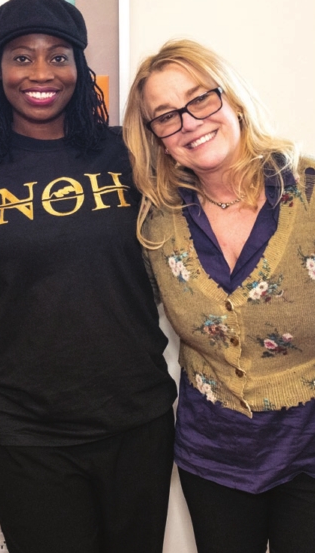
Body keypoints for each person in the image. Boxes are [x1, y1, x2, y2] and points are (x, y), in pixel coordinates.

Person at [0, 0, 177, 553]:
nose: (41, 73)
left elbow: (185, 234)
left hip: (137, 418)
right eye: (22, 57)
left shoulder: (129, 152)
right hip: (27, 431)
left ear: (79, 68)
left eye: (58, 56)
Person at [123, 38, 315, 553]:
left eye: (200, 99)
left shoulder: (309, 192)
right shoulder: (155, 221)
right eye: (166, 116)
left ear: (233, 99)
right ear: (157, 137)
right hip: (213, 454)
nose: (189, 122)